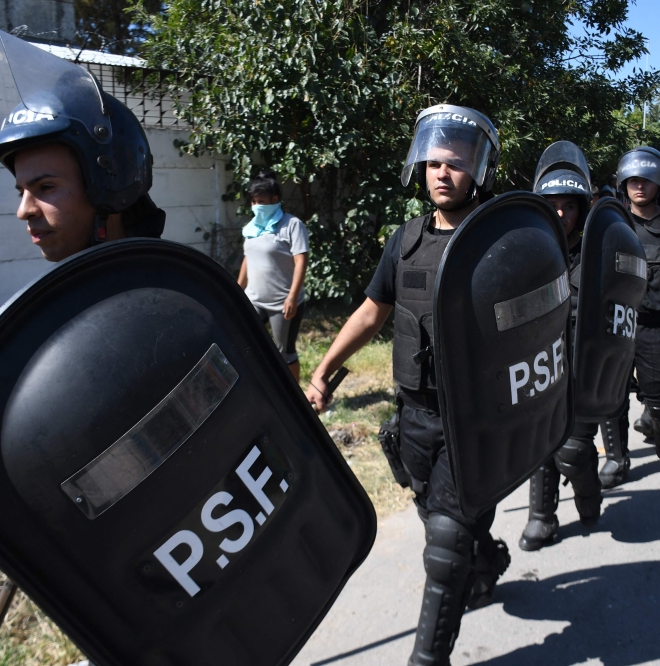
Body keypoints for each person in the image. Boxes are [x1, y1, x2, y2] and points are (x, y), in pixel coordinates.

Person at [305, 105, 509, 666]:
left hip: (475, 421)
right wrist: (323, 371)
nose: (443, 173)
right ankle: (486, 561)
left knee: (444, 549)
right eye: (434, 162)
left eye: (457, 162)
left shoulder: (499, 240)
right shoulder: (406, 242)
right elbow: (372, 312)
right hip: (415, 416)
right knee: (437, 521)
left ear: (480, 169)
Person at [0, 31, 164, 263]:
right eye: (22, 192)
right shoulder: (86, 290)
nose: (23, 211)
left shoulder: (159, 294)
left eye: (46, 187)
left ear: (112, 185)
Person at [518, 142, 604, 551]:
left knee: (571, 450)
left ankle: (588, 491)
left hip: (584, 372)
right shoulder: (526, 258)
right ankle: (542, 517)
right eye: (551, 204)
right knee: (540, 446)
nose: (559, 214)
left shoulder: (599, 254)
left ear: (581, 210)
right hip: (542, 371)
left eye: (568, 206)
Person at [620, 144, 660, 460]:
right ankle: (618, 460)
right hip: (616, 324)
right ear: (624, 184)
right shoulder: (612, 223)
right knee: (610, 397)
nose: (640, 186)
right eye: (633, 180)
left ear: (659, 182)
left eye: (646, 180)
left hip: (658, 326)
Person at [236, 171, 310, 381]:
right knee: (245, 340)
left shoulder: (292, 225)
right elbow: (248, 259)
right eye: (253, 201)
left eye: (261, 201)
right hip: (255, 300)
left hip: (282, 303)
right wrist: (236, 290)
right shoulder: (252, 228)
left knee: (284, 352)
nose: (256, 205)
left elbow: (301, 261)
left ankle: (296, 400)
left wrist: (292, 297)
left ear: (274, 200)